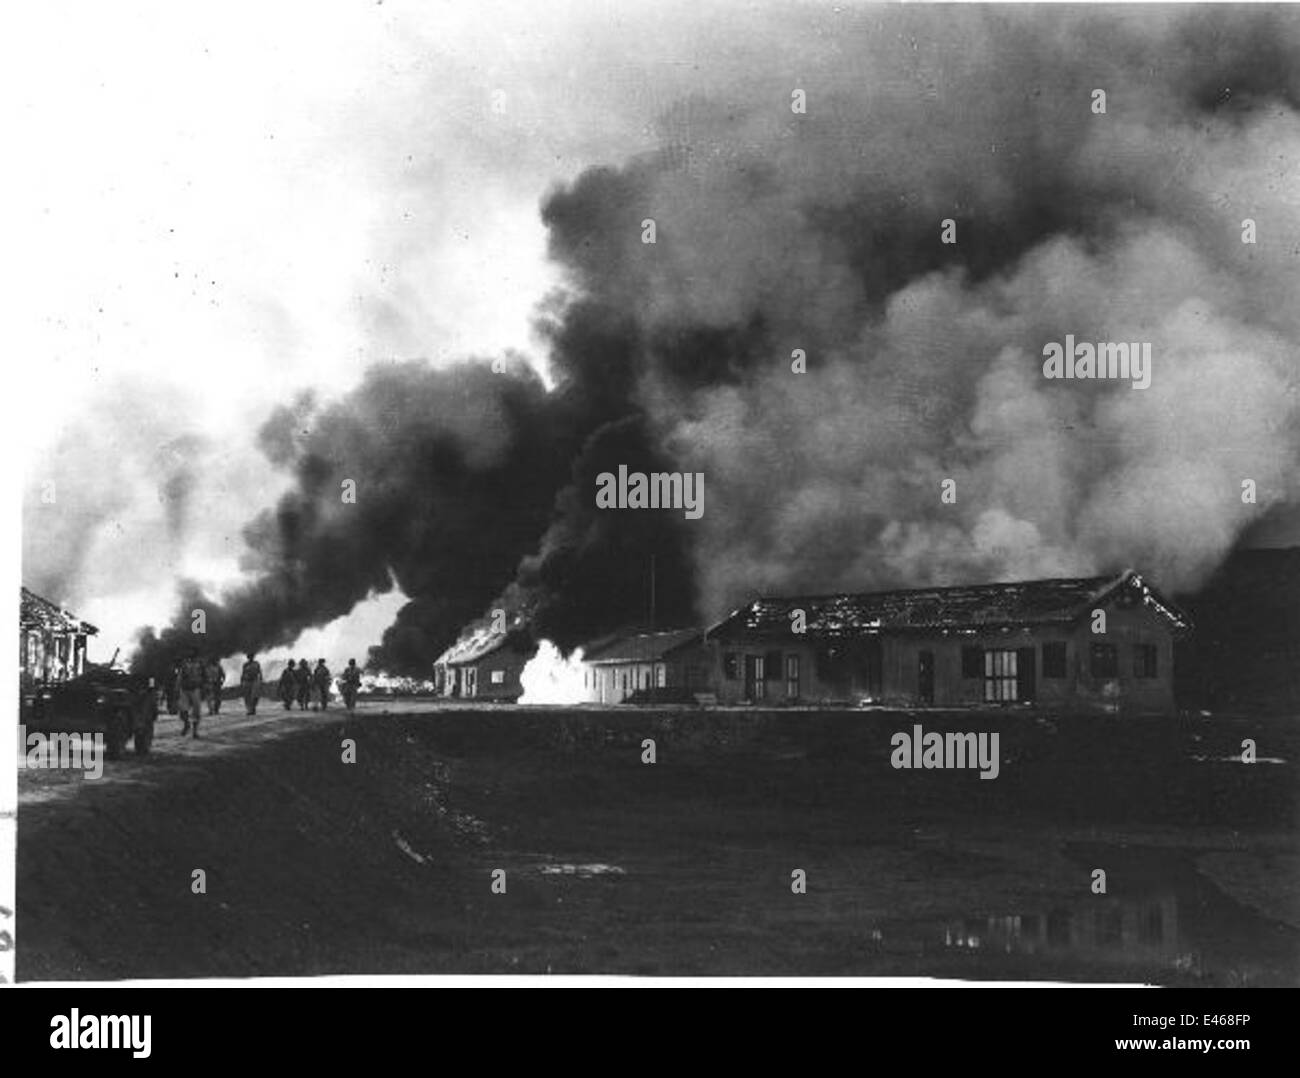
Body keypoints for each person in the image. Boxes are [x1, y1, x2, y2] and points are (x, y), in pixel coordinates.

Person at [176, 648, 206, 737]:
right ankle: (186, 724)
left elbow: (204, 676)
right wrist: (177, 688)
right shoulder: (184, 664)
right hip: (184, 689)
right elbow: (180, 676)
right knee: (183, 710)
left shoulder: (200, 664)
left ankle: (195, 731)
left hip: (195, 689)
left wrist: (204, 687)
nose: (191, 655)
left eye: (192, 654)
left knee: (196, 712)